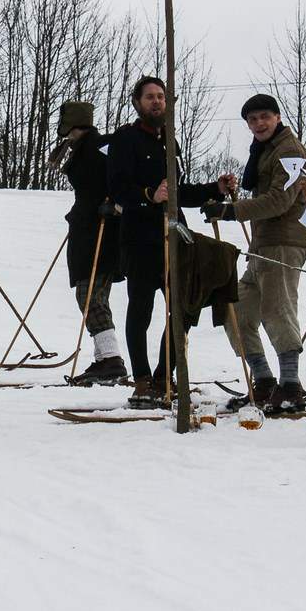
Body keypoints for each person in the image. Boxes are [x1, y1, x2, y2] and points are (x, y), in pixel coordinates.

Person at [106, 76, 228, 408]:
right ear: (136, 102)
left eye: (161, 97)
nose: (157, 102)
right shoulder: (124, 140)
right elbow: (117, 189)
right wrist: (148, 194)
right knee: (142, 308)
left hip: (173, 238)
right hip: (139, 238)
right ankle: (143, 380)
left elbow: (178, 192)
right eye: (150, 97)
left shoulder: (168, 142)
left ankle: (164, 375)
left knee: (183, 308)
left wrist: (213, 189)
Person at [204, 94, 306, 412]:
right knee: (234, 311)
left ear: (278, 117)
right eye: (252, 120)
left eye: (265, 116)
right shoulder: (265, 151)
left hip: (285, 241)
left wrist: (229, 211)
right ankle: (265, 381)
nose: (259, 124)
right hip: (262, 246)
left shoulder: (290, 151)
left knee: (277, 310)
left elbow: (279, 201)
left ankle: (291, 385)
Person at [51, 101, 126, 386]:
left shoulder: (101, 146)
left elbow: (121, 178)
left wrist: (115, 204)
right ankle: (105, 358)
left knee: (89, 295)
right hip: (86, 229)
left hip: (102, 230)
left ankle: (110, 359)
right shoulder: (80, 149)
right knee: (92, 296)